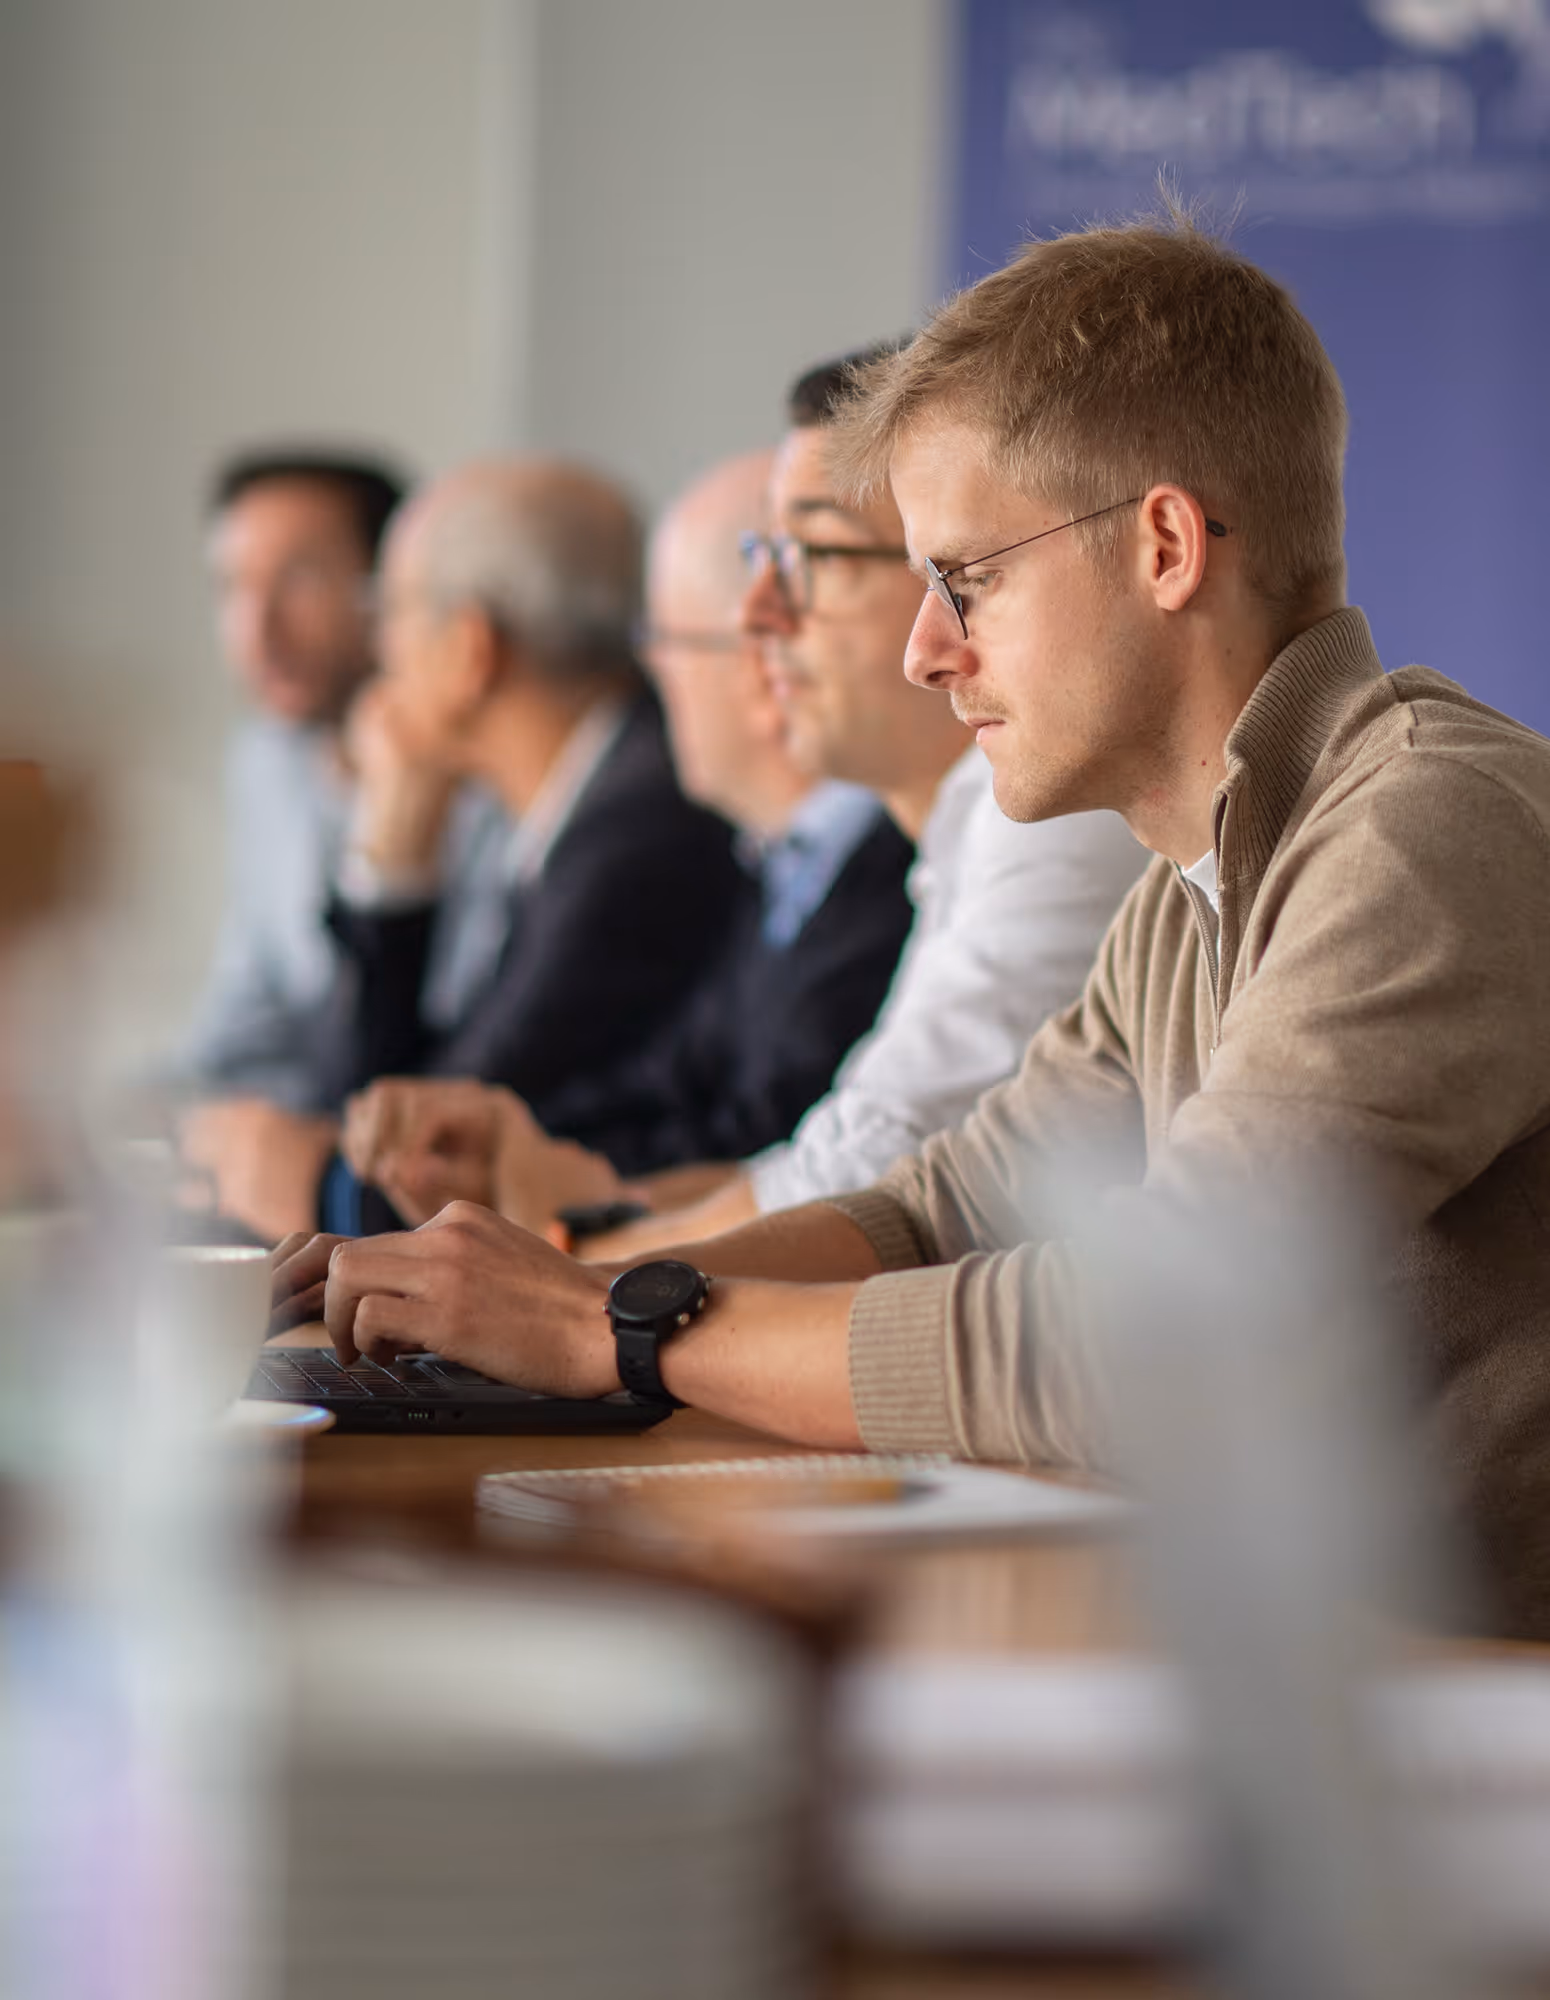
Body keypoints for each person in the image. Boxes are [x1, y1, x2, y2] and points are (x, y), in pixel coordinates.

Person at [277, 211, 1550, 1641]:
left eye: (968, 580)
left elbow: (1157, 1338)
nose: (921, 648)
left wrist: (605, 1330)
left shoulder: (1421, 827)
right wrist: (545, 1294)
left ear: (1166, 546)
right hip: (1324, 1699)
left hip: (1477, 1730)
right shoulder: (1182, 891)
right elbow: (934, 1212)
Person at [334, 355, 1147, 1242]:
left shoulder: (1053, 821)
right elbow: (827, 1162)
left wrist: (573, 1261)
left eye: (816, 557)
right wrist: (585, 1205)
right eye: (768, 557)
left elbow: (875, 1186)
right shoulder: (952, 836)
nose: (757, 617)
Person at [340, 448, 916, 1222]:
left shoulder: (641, 837)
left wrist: (550, 1202)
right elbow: (673, 1083)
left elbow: (775, 1145)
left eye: (665, 643)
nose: (652, 679)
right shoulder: (778, 856)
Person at [191, 455, 743, 1241]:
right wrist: (398, 867)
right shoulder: (589, 800)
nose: (380, 653)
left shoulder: (636, 836)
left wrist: (315, 1186)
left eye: (391, 612)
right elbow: (403, 1112)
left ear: (470, 649)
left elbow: (423, 1145)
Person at [171, 450, 508, 1113]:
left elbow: (451, 1048)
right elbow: (245, 1024)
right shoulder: (265, 761)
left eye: (299, 578)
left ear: (389, 591)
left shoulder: (487, 777)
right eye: (234, 586)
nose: (258, 628)